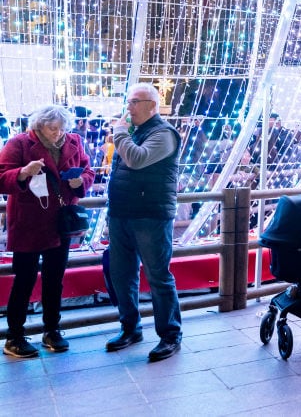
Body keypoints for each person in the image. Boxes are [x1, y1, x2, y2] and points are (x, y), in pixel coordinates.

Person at [0, 106, 95, 358]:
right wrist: (22, 172)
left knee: (55, 278)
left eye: (62, 128)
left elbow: (88, 170)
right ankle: (14, 336)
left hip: (60, 224)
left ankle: (52, 329)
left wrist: (81, 182)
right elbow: (1, 176)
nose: (58, 133)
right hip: (28, 223)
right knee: (24, 280)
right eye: (53, 128)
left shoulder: (74, 141)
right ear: (39, 126)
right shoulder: (19, 143)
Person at [105, 83, 184, 362]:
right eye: (128, 102)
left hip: (151, 215)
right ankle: (130, 328)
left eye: (135, 102)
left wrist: (120, 134)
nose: (129, 108)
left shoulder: (164, 134)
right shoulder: (135, 133)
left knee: (158, 277)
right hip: (122, 213)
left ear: (152, 105)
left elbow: (137, 160)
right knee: (122, 274)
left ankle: (170, 335)